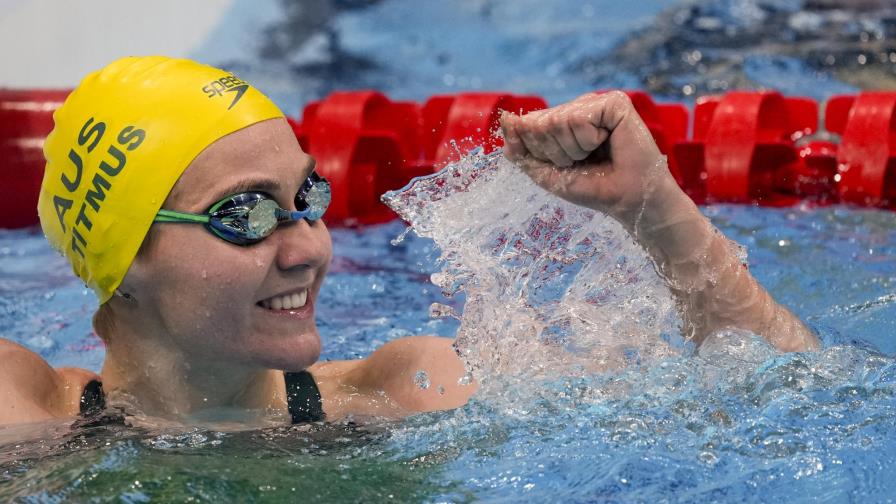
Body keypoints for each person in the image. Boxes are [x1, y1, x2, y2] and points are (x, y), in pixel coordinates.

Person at [0, 56, 819, 427]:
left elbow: (786, 399)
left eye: (307, 198)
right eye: (244, 214)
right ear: (122, 262)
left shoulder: (405, 393)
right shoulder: (25, 410)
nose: (308, 247)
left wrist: (657, 212)